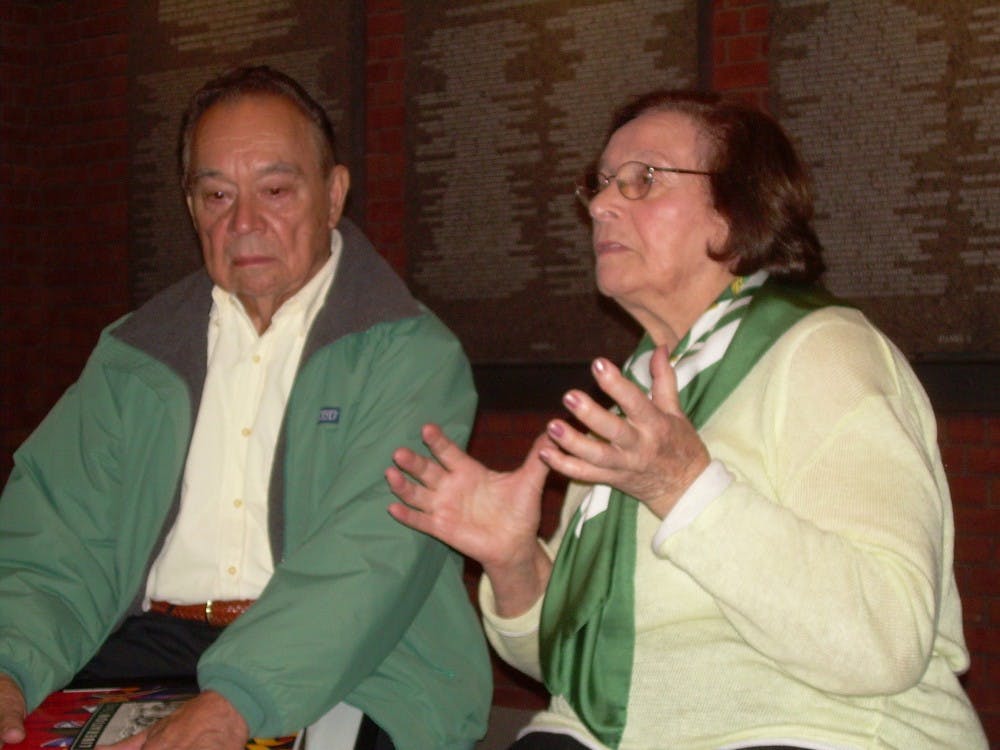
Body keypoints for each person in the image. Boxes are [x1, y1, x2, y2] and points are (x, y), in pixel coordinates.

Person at [385, 90, 988, 749]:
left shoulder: (824, 351)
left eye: (643, 179)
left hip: (819, 729)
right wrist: (514, 562)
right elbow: (581, 670)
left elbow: (885, 640)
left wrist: (687, 488)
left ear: (734, 216)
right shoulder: (639, 391)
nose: (603, 206)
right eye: (600, 185)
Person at [0, 65, 491, 750]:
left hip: (359, 664)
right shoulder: (134, 357)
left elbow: (367, 561)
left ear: (333, 194)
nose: (244, 223)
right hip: (149, 650)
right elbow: (55, 538)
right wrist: (9, 664)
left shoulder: (409, 357)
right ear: (190, 206)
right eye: (217, 195)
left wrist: (233, 704)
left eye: (276, 190)